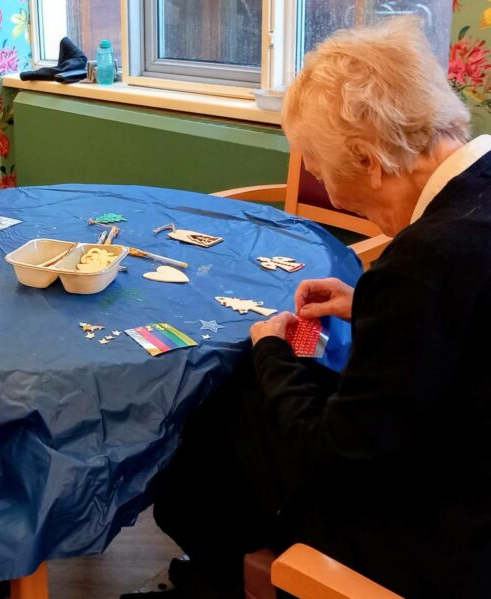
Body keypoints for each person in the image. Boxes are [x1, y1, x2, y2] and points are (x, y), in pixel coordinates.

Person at [140, 17, 491, 598]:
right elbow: (461, 326)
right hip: (465, 457)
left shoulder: (425, 261)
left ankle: (215, 579)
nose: (333, 192)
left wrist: (273, 351)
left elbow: (335, 454)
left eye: (329, 177)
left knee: (218, 422)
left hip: (441, 534)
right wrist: (371, 305)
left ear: (369, 160)